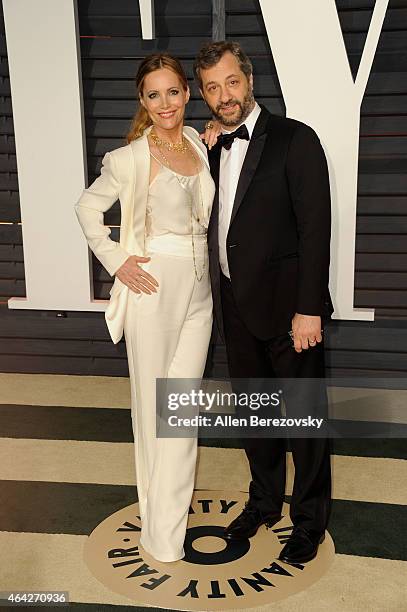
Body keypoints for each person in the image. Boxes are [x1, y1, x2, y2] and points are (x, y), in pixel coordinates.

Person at [194, 41, 334, 564]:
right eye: (212, 87)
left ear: (249, 80)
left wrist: (309, 308)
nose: (224, 95)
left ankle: (310, 520)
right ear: (204, 95)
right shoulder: (207, 147)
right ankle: (264, 501)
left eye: (231, 82)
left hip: (290, 310)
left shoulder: (296, 140)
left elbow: (316, 229)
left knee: (304, 421)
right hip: (235, 305)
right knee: (256, 418)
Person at [75, 53, 217, 563]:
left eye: (174, 92)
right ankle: (157, 532)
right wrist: (117, 261)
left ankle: (166, 536)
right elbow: (86, 208)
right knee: (151, 411)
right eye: (154, 95)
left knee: (180, 413)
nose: (165, 104)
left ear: (186, 94)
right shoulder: (129, 158)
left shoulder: (200, 143)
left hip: (200, 295)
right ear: (143, 100)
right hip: (153, 287)